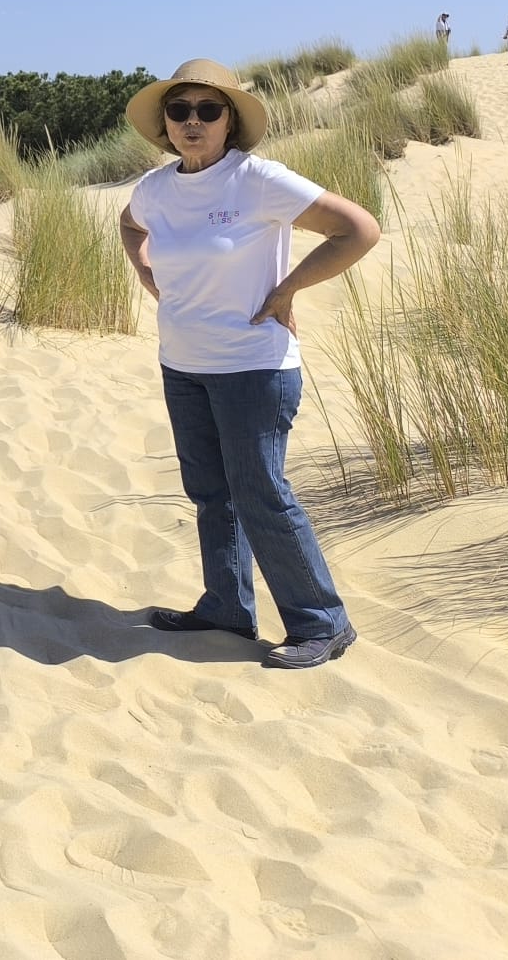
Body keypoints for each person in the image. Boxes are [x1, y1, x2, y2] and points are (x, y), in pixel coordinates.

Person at [117, 59, 380, 669]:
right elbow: (129, 226)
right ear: (165, 122)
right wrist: (144, 270)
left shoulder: (257, 180)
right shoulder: (155, 190)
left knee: (261, 492)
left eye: (209, 110)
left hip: (253, 367)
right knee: (211, 492)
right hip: (183, 365)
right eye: (180, 110)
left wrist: (288, 289)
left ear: (229, 121)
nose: (193, 121)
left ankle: (322, 622)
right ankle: (227, 608)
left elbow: (358, 230)